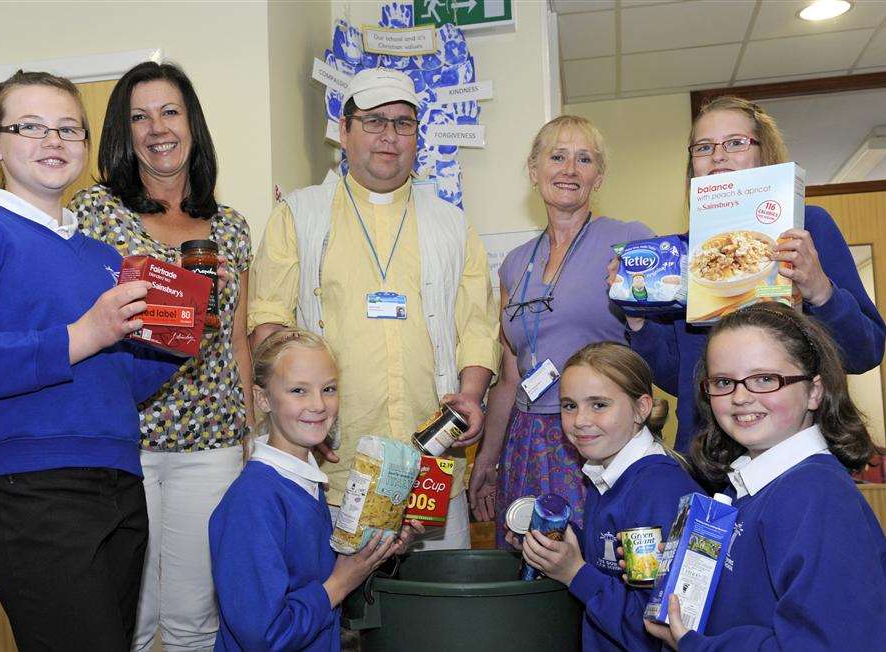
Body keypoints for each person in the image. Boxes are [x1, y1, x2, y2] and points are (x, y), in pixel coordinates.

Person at [0, 70, 180, 650]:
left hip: (120, 483)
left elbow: (114, 383)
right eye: (30, 127)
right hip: (28, 488)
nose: (53, 141)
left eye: (68, 129)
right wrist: (85, 333)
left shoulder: (105, 256)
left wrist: (176, 340)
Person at [248, 67, 500, 549]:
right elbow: (268, 324)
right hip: (330, 464)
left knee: (438, 609)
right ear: (344, 131)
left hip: (433, 463)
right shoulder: (299, 216)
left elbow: (476, 324)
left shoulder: (452, 226)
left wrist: (470, 394)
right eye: (374, 121)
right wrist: (300, 409)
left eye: (404, 123)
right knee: (337, 606)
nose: (390, 136)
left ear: (417, 137)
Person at [69, 61, 254, 652]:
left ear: (192, 124)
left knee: (195, 619)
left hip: (213, 442)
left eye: (170, 111)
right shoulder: (94, 213)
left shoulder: (230, 227)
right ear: (125, 133)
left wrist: (249, 426)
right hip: (128, 440)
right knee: (130, 617)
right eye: (139, 116)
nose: (157, 128)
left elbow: (236, 338)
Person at [626, 96, 884, 453]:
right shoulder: (686, 253)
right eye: (704, 147)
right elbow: (681, 381)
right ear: (692, 165)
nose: (718, 155)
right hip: (707, 455)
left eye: (735, 143)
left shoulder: (809, 229)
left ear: (765, 154)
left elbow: (866, 353)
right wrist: (638, 321)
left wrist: (821, 290)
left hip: (794, 453)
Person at [645, 302, 886, 650]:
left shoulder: (815, 495)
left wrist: (697, 645)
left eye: (764, 379)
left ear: (814, 392)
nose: (741, 397)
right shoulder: (748, 486)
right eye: (724, 382)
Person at [469, 115, 654, 547]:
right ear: (534, 172)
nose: (569, 169)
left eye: (584, 159)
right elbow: (512, 375)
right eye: (557, 156)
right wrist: (487, 459)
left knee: (593, 562)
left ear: (599, 176)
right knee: (526, 565)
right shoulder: (515, 263)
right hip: (526, 439)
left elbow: (656, 347)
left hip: (596, 433)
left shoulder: (629, 242)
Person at [208, 329, 418, 651]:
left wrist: (375, 551)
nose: (318, 404)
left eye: (328, 389)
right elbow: (263, 635)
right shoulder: (253, 501)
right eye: (298, 390)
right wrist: (338, 584)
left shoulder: (305, 483)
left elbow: (313, 582)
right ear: (263, 399)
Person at [508, 342, 699, 651]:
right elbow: (609, 560)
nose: (581, 420)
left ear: (642, 408)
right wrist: (558, 546)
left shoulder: (655, 492)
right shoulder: (606, 473)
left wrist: (574, 573)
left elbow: (650, 628)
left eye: (599, 405)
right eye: (569, 406)